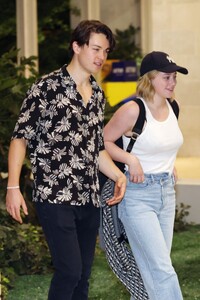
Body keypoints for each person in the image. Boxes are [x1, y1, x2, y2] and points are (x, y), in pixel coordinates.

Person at [6, 20, 126, 300]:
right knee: (69, 271)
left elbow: (96, 149)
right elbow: (20, 137)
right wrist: (13, 187)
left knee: (83, 275)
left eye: (106, 51)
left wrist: (118, 175)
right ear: (76, 46)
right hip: (54, 195)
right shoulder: (46, 88)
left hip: (89, 198)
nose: (101, 57)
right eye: (96, 48)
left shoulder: (97, 94)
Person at [103, 51, 188, 300]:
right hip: (137, 196)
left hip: (166, 193)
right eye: (166, 77)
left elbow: (164, 142)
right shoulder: (132, 109)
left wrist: (168, 164)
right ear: (149, 78)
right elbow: (103, 141)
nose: (172, 83)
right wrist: (130, 159)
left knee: (152, 271)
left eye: (174, 77)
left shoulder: (174, 106)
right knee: (162, 271)